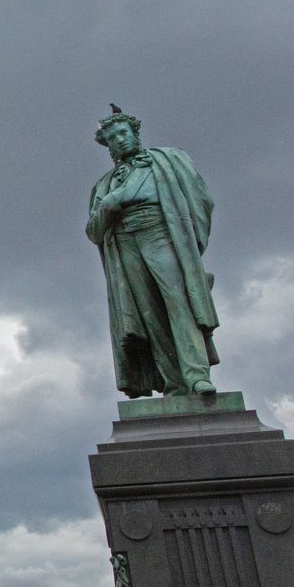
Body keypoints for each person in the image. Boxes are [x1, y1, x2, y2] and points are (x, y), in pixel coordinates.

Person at [86, 107, 220, 399]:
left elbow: (202, 200)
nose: (119, 140)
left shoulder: (168, 160)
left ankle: (197, 376)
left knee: (179, 301)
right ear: (107, 147)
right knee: (150, 316)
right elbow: (94, 232)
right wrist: (109, 205)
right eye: (112, 138)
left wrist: (192, 245)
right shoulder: (104, 186)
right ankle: (174, 384)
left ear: (135, 134)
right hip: (125, 244)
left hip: (161, 234)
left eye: (123, 133)